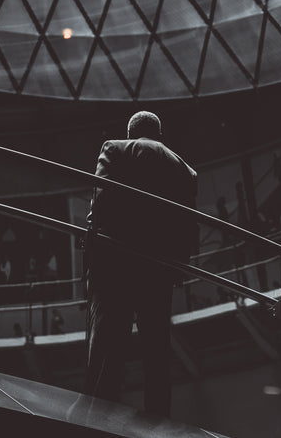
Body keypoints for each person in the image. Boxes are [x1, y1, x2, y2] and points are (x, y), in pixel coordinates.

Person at [84, 110, 197, 417]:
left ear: (131, 132)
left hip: (116, 261)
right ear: (158, 133)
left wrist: (93, 251)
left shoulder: (115, 148)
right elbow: (189, 227)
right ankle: (158, 419)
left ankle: (96, 417)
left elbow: (102, 199)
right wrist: (176, 267)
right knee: (156, 349)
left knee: (108, 345)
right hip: (158, 267)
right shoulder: (185, 169)